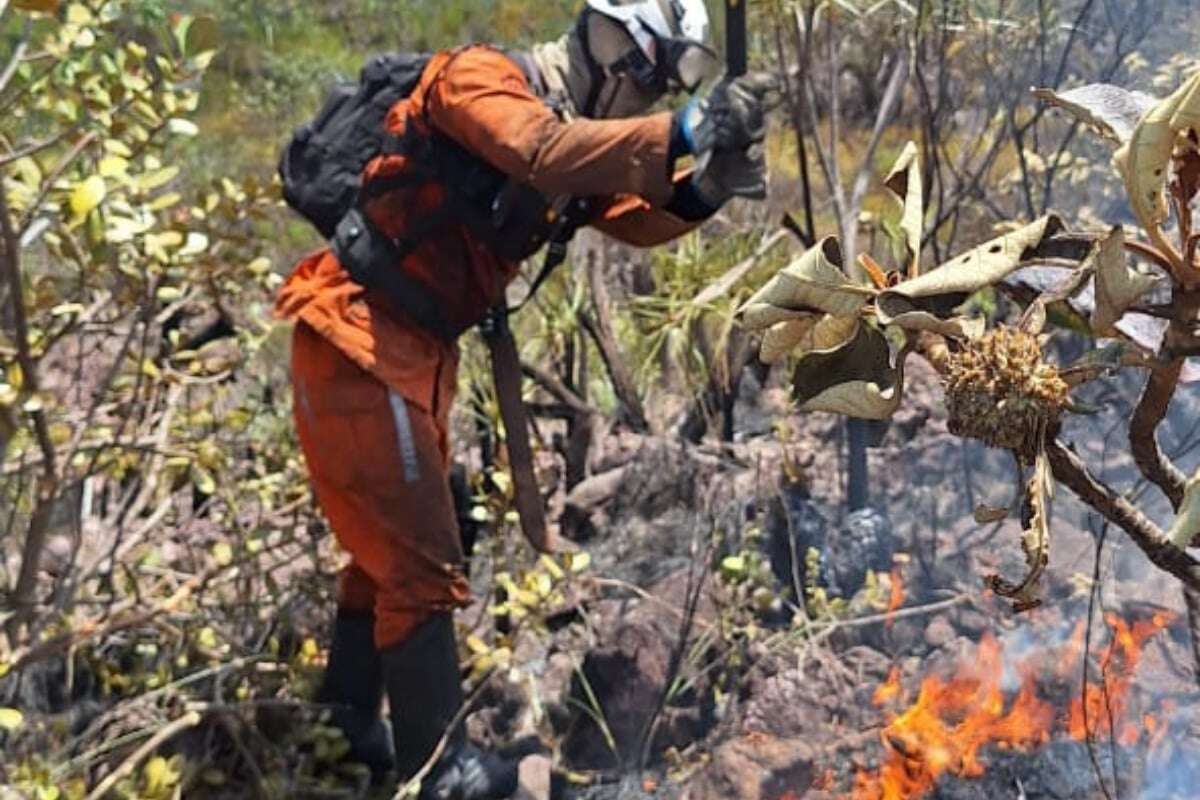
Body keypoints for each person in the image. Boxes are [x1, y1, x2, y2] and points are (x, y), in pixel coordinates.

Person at [275, 0, 775, 797]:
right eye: (650, 83)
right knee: (420, 562)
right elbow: (543, 151)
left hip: (408, 357)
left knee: (389, 555)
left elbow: (633, 214)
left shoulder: (573, 140)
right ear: (621, 52)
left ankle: (345, 725)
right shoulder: (482, 80)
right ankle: (441, 775)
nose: (647, 103)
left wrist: (707, 184)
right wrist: (686, 127)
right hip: (357, 342)